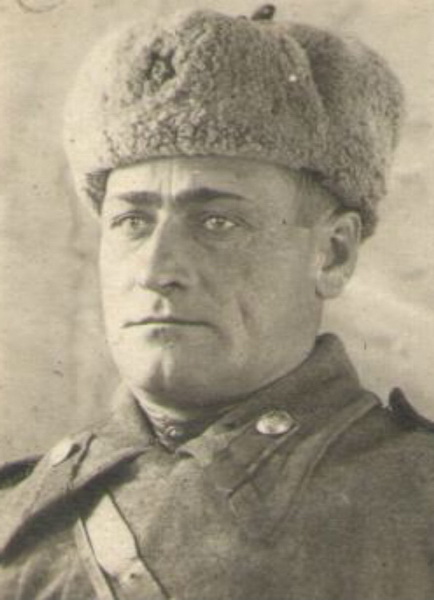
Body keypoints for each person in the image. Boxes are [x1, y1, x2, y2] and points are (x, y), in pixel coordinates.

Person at [0, 4, 433, 600]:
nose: (156, 270)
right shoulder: (17, 517)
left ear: (333, 254)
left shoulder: (418, 505)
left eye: (217, 222)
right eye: (131, 221)